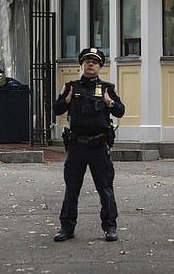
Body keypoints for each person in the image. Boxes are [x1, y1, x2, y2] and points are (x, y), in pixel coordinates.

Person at [52, 47, 125, 242]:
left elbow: (120, 111)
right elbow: (57, 109)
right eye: (87, 62)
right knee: (72, 188)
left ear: (100, 66)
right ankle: (67, 228)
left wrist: (110, 103)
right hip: (77, 146)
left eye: (94, 62)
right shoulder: (71, 86)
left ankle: (110, 227)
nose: (90, 64)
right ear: (82, 65)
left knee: (105, 188)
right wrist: (65, 100)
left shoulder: (108, 88)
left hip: (98, 146)